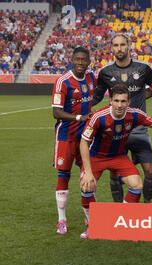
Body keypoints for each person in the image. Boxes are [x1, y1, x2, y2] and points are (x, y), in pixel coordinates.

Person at [80, 84, 152, 238]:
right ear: (110, 100)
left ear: (129, 102)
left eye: (123, 101)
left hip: (118, 157)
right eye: (116, 100)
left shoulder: (135, 115)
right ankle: (92, 225)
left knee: (137, 185)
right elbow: (84, 142)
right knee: (86, 186)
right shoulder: (99, 117)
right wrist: (88, 172)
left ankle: (121, 220)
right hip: (96, 156)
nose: (119, 105)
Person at [92, 33, 152, 203]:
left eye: (122, 45)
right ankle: (118, 209)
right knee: (115, 173)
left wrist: (143, 97)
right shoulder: (106, 72)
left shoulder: (143, 68)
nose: (119, 48)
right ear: (111, 48)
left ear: (129, 46)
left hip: (138, 129)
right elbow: (97, 96)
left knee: (150, 171)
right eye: (116, 45)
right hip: (115, 131)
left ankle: (147, 205)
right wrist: (79, 108)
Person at [52, 46, 95, 235]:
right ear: (72, 59)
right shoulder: (63, 82)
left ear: (88, 61)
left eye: (83, 60)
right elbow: (56, 112)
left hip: (85, 138)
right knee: (64, 176)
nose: (80, 62)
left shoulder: (92, 78)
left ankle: (91, 220)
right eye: (77, 59)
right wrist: (79, 118)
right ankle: (62, 220)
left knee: (88, 177)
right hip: (66, 137)